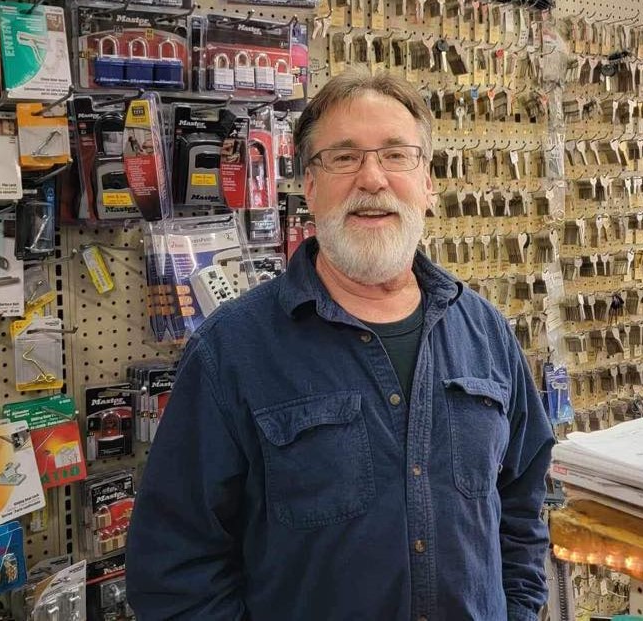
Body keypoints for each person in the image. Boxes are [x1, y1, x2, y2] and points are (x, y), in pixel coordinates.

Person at [126, 71, 555, 621]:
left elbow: (520, 507)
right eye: (344, 158)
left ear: (428, 181)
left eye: (396, 155)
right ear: (308, 185)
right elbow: (174, 568)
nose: (372, 178)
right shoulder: (231, 351)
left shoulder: (486, 332)